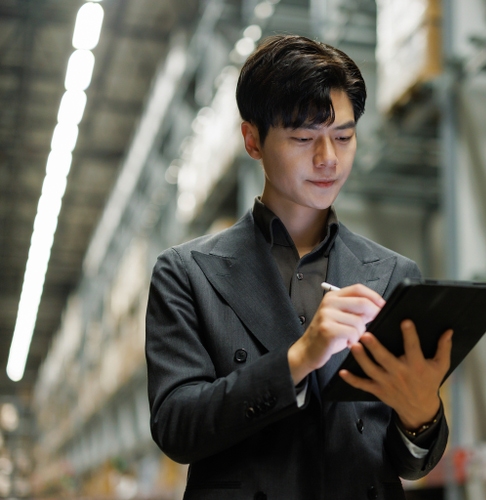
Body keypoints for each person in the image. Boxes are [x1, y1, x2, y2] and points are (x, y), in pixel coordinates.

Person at [145, 35, 451, 500]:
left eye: (344, 137)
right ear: (252, 139)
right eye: (304, 138)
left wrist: (421, 415)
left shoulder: (392, 273)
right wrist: (298, 359)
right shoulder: (187, 274)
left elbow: (408, 463)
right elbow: (176, 427)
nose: (328, 159)